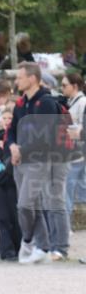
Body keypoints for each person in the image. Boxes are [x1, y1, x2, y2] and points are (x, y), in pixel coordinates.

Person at [7, 62, 69, 263]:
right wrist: (12, 146)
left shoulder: (46, 102)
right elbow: (12, 130)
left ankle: (47, 245)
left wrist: (20, 150)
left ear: (32, 78)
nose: (16, 81)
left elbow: (45, 137)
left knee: (38, 203)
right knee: (33, 204)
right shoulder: (20, 103)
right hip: (23, 160)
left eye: (20, 77)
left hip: (46, 159)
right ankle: (41, 246)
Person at [0, 105, 21, 261]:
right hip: (0, 182)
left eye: (10, 118)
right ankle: (6, 250)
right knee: (2, 217)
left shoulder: (18, 138)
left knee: (15, 216)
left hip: (14, 182)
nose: (7, 121)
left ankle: (18, 248)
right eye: (4, 118)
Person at [61, 72, 85, 217]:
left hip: (77, 152)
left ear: (74, 86)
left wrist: (74, 132)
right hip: (73, 151)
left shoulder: (82, 103)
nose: (62, 88)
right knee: (76, 188)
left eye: (64, 85)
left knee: (67, 190)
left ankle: (66, 223)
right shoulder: (72, 102)